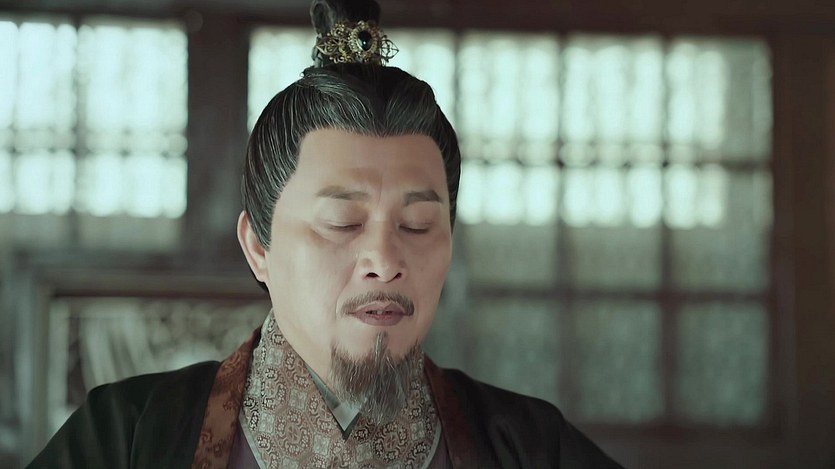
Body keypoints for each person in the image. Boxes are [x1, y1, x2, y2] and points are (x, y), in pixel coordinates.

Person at [29, 0, 625, 467]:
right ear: (257, 246)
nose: (384, 260)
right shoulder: (130, 436)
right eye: (342, 222)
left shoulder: (529, 446)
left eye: (417, 225)